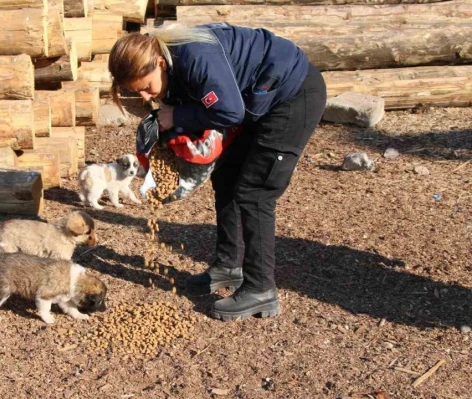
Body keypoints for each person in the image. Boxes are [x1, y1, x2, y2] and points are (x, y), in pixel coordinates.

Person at [108, 23, 327, 321]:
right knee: (227, 178)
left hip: (291, 96)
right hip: (256, 99)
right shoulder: (171, 63)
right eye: (139, 92)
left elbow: (229, 112)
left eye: (146, 86)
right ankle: (228, 266)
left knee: (255, 192)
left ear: (160, 63)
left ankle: (261, 288)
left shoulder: (195, 57)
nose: (147, 96)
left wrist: (179, 116)